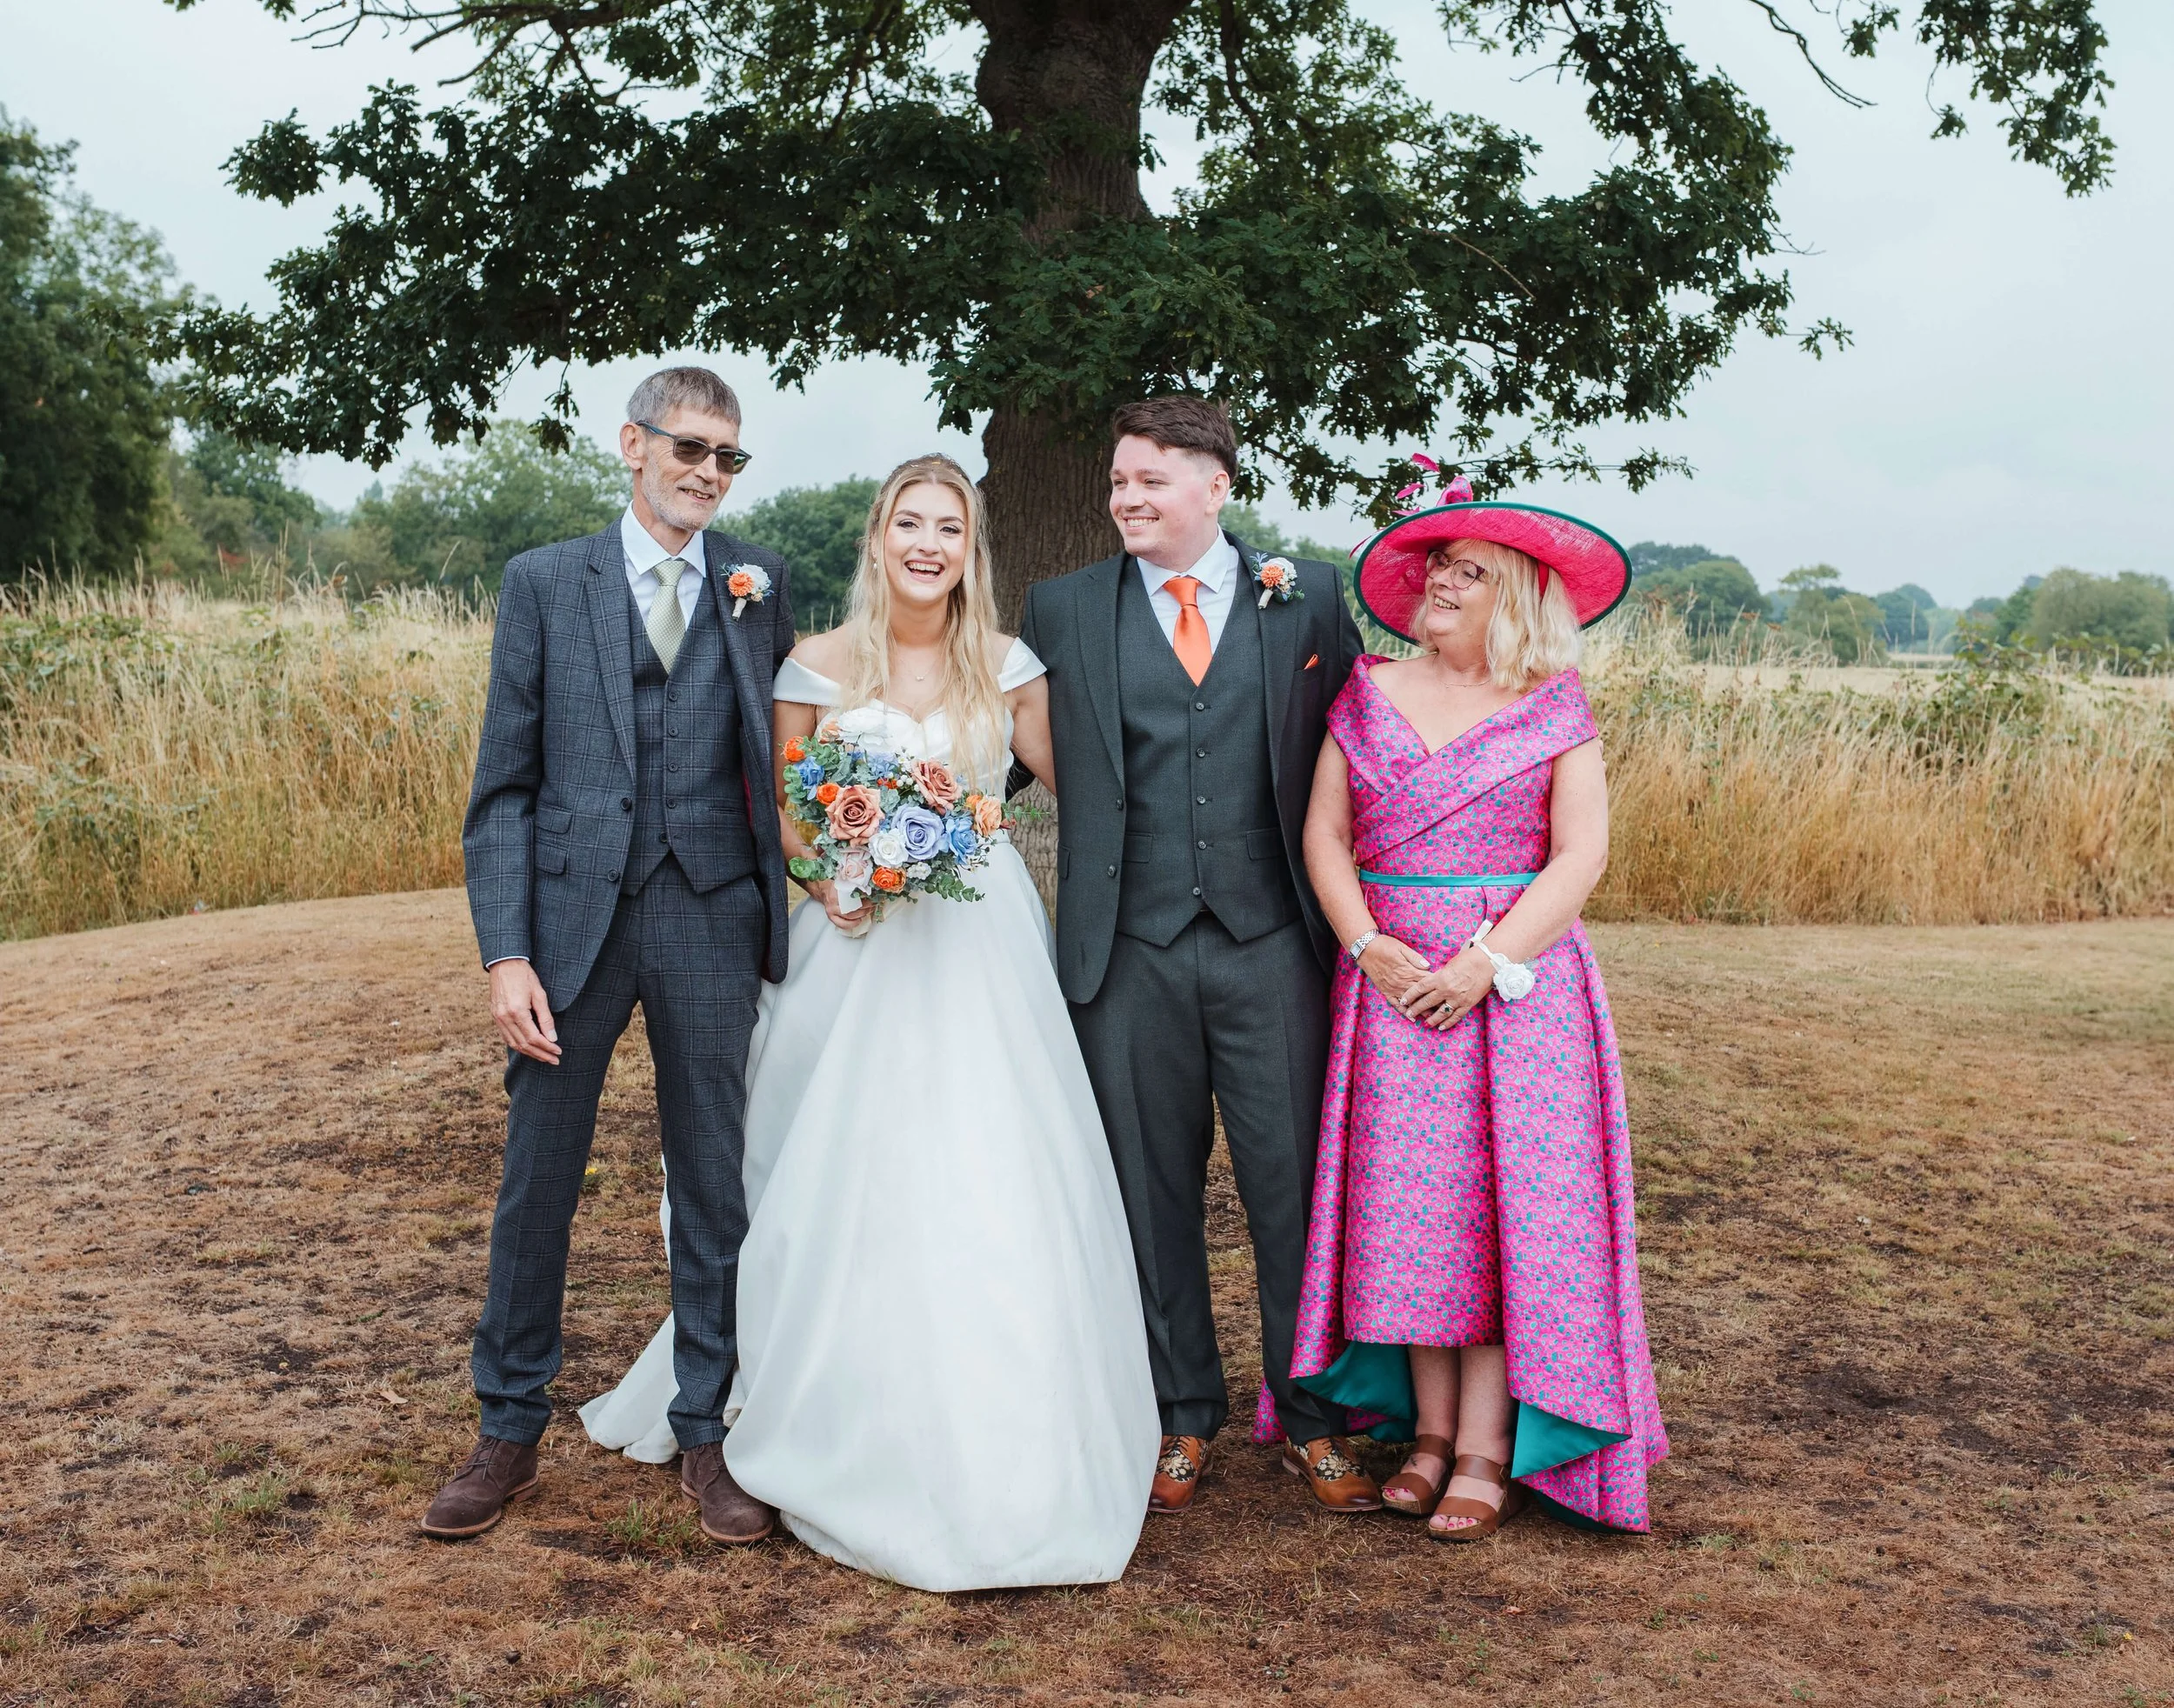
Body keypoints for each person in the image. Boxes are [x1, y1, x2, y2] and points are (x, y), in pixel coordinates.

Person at [583, 455, 1160, 1591]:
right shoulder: (813, 664)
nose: (928, 544)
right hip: (851, 946)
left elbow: (1091, 792)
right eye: (911, 523)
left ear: (971, 548)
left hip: (981, 946)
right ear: (880, 537)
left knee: (988, 1165)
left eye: (950, 527)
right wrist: (829, 877)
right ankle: (802, 1393)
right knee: (829, 1167)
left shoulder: (1010, 666)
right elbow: (785, 810)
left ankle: (1008, 1421)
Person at [423, 368, 794, 1545]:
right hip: (570, 927)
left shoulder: (759, 582)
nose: (708, 473)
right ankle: (507, 1427)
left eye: (728, 456)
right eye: (689, 448)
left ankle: (706, 1430)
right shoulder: (544, 581)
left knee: (714, 1183)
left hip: (712, 914)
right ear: (632, 445)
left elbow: (782, 756)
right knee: (539, 1177)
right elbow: (503, 789)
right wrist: (506, 955)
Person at [1017, 397, 1381, 1517]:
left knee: (1291, 1189)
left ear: (1215, 486)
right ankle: (1179, 1410)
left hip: (1274, 946)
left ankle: (1311, 1416)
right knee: (1148, 1188)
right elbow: (997, 746)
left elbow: (1368, 748)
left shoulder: (1306, 594)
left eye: (1150, 479)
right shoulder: (1062, 606)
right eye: (1117, 479)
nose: (1124, 497)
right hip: (1124, 951)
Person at [1288, 472, 1667, 1539]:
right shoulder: (1367, 693)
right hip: (1390, 983)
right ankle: (1426, 1435)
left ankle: (1487, 1449)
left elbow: (1579, 854)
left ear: (1521, 596)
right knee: (1411, 1210)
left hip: (1516, 996)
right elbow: (1325, 834)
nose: (1440, 583)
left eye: (1469, 571)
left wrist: (1484, 962)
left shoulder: (1554, 706)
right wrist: (1366, 944)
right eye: (1435, 568)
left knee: (1505, 1212)